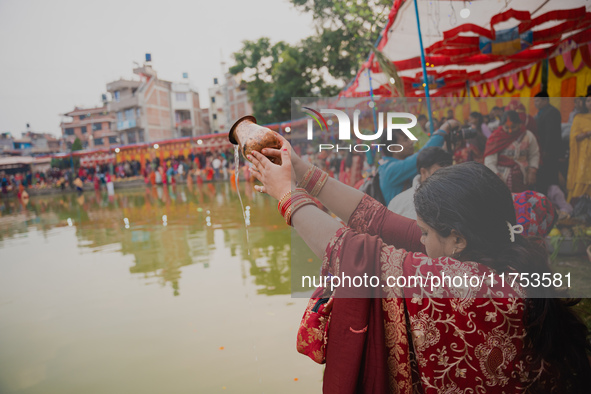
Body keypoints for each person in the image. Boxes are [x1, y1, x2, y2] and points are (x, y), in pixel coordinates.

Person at [248, 135, 591, 392]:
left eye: (425, 232)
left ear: (457, 238)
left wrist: (286, 195)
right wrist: (302, 171)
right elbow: (378, 220)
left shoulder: (470, 286)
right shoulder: (501, 250)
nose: (420, 239)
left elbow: (351, 252)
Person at [378, 119, 458, 205]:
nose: (411, 142)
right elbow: (423, 155)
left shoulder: (389, 167)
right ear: (393, 148)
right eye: (406, 140)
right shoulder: (391, 170)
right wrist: (442, 130)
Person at [387, 147, 452, 219]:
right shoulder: (400, 202)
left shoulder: (452, 198)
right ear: (423, 172)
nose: (445, 178)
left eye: (448, 173)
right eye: (440, 174)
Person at [484, 110, 539, 193]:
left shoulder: (528, 135)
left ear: (520, 124)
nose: (510, 131)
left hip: (523, 179)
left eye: (513, 127)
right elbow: (489, 161)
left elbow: (534, 154)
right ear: (501, 126)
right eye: (506, 127)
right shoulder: (495, 137)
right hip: (501, 180)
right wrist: (497, 176)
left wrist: (532, 171)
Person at [567, 95, 591, 200]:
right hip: (584, 155)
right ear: (585, 104)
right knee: (582, 177)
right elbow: (574, 136)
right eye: (588, 101)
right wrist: (588, 133)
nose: (590, 103)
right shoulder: (579, 118)